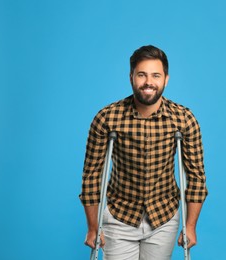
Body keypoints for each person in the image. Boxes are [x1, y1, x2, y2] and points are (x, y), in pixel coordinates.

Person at [79, 45, 208, 260]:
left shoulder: (184, 119)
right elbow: (92, 176)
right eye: (142, 75)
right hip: (119, 216)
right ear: (131, 77)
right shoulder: (107, 118)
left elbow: (195, 177)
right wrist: (93, 227)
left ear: (166, 79)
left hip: (163, 217)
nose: (149, 82)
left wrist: (191, 226)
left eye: (156, 75)